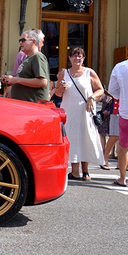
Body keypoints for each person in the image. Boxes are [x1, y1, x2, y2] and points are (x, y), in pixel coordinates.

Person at [52, 47, 105, 181]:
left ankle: (85, 171)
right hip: (69, 109)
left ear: (83, 58)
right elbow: (57, 93)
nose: (77, 59)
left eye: (80, 56)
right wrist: (60, 89)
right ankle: (75, 171)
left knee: (85, 136)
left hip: (85, 110)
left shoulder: (89, 72)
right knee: (72, 137)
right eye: (74, 56)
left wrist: (91, 98)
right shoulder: (64, 73)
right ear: (69, 58)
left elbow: (100, 90)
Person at [109, 40, 128, 187]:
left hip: (127, 110)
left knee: (123, 146)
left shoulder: (120, 67)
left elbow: (113, 91)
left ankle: (122, 178)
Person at [2, 30, 49, 102]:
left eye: (23, 40)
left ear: (33, 42)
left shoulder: (37, 56)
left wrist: (16, 80)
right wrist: (11, 79)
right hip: (25, 105)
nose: (20, 43)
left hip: (33, 106)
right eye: (20, 40)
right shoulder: (29, 58)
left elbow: (43, 82)